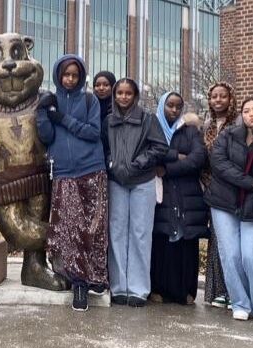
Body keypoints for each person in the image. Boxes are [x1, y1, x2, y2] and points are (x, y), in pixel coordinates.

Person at [36, 54, 107, 312]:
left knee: (94, 228)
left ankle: (96, 277)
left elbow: (92, 132)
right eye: (66, 74)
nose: (70, 79)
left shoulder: (89, 100)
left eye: (75, 75)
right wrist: (43, 111)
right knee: (69, 228)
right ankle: (78, 282)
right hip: (64, 171)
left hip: (92, 169)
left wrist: (63, 118)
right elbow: (46, 136)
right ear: (58, 75)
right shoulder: (52, 101)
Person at [204, 96, 253, 323]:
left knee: (251, 256)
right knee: (230, 255)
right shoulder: (227, 136)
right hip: (223, 203)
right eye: (246, 110)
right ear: (241, 115)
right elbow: (219, 165)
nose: (251, 114)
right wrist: (249, 182)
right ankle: (240, 303)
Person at [101, 78, 168, 307]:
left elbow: (160, 147)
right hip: (116, 182)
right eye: (119, 92)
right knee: (117, 233)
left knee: (140, 234)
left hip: (142, 182)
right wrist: (111, 163)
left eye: (128, 93)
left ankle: (139, 289)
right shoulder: (108, 121)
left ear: (135, 95)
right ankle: (119, 287)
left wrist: (139, 163)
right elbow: (104, 148)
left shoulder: (148, 119)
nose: (123, 97)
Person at [150, 92, 208, 305]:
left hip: (186, 194)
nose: (173, 110)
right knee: (161, 239)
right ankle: (158, 289)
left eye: (177, 106)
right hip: (160, 194)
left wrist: (167, 168)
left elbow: (198, 158)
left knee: (185, 241)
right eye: (169, 106)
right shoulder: (153, 128)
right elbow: (153, 153)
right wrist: (176, 156)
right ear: (162, 106)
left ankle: (186, 291)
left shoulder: (190, 131)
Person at [202, 82, 240, 309]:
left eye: (223, 96)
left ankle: (234, 291)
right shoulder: (206, 125)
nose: (218, 100)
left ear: (230, 99)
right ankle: (218, 290)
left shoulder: (238, 124)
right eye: (214, 96)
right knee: (216, 240)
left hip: (233, 189)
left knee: (231, 242)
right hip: (210, 188)